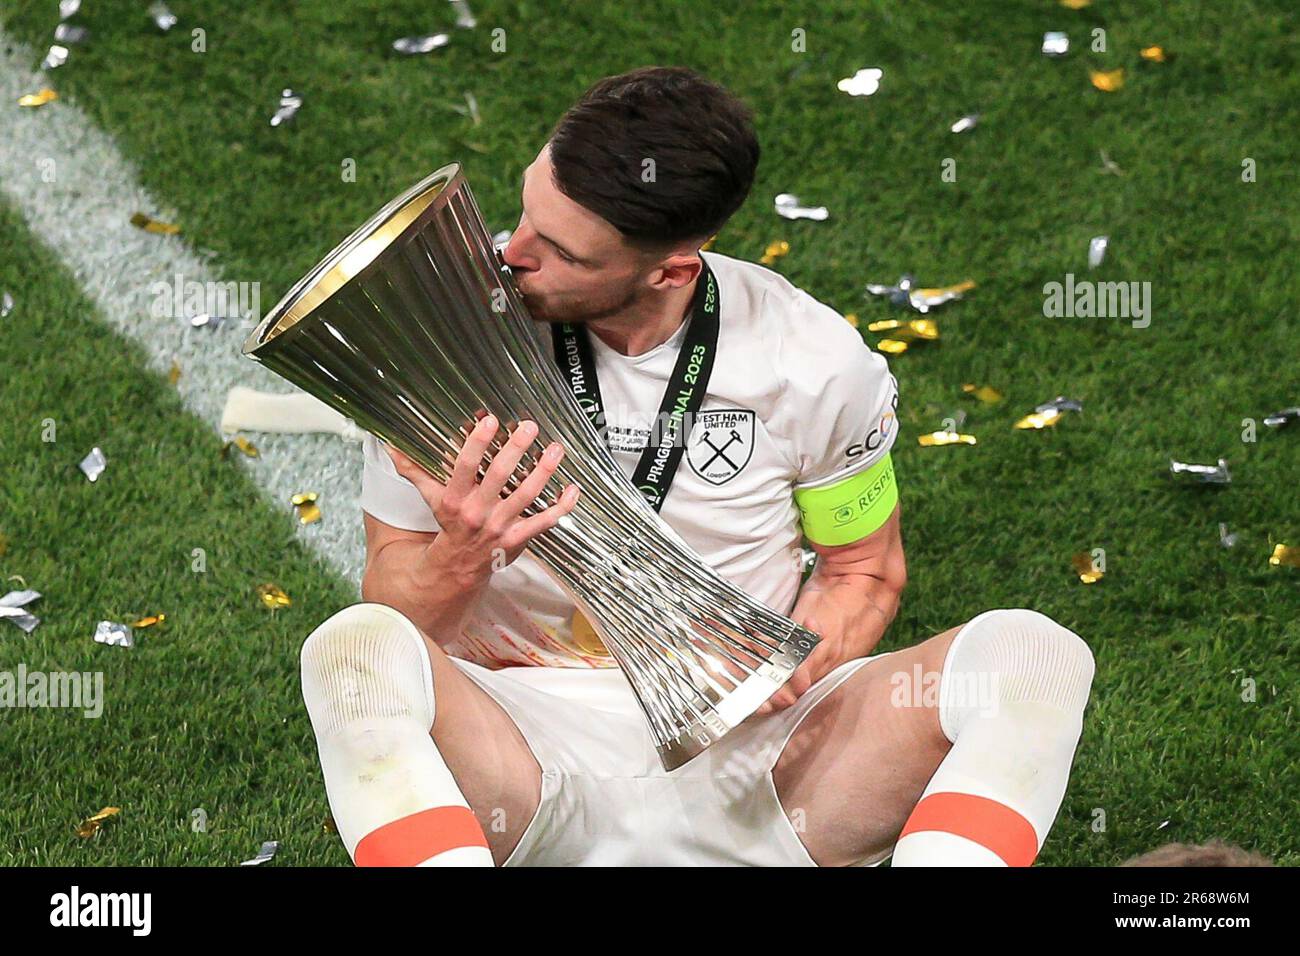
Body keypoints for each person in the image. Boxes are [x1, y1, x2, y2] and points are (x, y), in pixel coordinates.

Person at [300, 66, 1096, 867]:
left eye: (563, 252)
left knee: (1031, 655)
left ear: (670, 270)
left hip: (761, 764)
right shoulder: (444, 353)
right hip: (525, 750)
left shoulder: (812, 362)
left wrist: (792, 660)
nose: (514, 254)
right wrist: (459, 556)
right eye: (525, 209)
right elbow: (406, 620)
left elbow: (863, 572)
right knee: (356, 647)